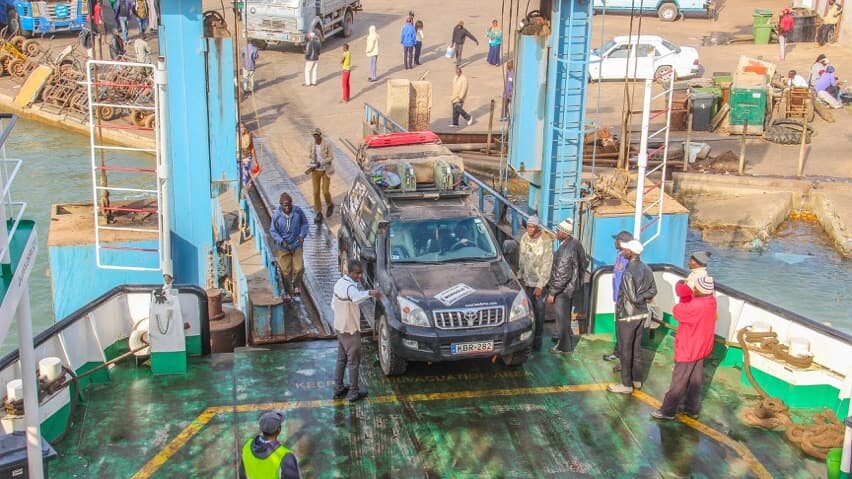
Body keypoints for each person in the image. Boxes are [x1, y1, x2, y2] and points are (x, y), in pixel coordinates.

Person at [651, 277, 718, 420]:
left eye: (696, 288)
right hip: (702, 347)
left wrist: (683, 295)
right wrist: (689, 295)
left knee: (679, 380)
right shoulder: (711, 301)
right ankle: (691, 409)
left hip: (689, 348)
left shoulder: (695, 306)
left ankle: (667, 411)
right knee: (695, 380)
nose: (694, 289)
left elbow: (677, 311)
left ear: (700, 290)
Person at [608, 239, 657, 394]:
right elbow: (653, 290)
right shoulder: (647, 268)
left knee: (625, 350)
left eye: (626, 250)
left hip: (627, 316)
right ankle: (637, 380)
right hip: (641, 314)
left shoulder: (628, 272)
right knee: (636, 350)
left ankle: (626, 384)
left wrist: (639, 297)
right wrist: (645, 296)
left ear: (631, 253)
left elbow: (633, 298)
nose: (623, 252)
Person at [332, 261, 381, 403]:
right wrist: (371, 293)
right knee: (353, 362)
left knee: (341, 359)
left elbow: (333, 305)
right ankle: (353, 393)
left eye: (361, 273)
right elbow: (356, 297)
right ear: (351, 272)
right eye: (357, 273)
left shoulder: (339, 283)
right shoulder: (350, 288)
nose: (360, 276)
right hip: (350, 330)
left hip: (339, 328)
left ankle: (338, 388)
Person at [546, 219, 585, 354]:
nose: (556, 233)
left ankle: (564, 347)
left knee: (562, 319)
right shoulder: (576, 244)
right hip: (572, 288)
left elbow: (562, 274)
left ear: (565, 234)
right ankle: (565, 342)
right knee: (566, 318)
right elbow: (582, 264)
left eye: (558, 231)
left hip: (563, 291)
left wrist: (552, 292)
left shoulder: (566, 249)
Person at [517, 215, 553, 351]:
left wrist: (540, 285)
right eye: (528, 226)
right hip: (526, 282)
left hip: (538, 284)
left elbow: (547, 264)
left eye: (532, 227)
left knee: (539, 313)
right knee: (526, 313)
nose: (530, 229)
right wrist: (519, 276)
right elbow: (521, 258)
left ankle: (537, 344)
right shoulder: (524, 238)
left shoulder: (545, 240)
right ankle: (527, 341)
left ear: (537, 228)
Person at [270, 193, 310, 302]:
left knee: (299, 267)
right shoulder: (276, 216)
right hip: (283, 247)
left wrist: (302, 235)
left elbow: (305, 224)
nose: (287, 208)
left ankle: (296, 285)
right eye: (285, 206)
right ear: (281, 205)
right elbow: (273, 231)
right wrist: (282, 241)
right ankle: (288, 291)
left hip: (296, 244)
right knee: (285, 271)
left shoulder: (298, 212)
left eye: (289, 206)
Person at [239, 411, 300, 479]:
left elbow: (242, 475)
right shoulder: (285, 456)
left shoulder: (247, 446)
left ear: (261, 428)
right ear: (279, 430)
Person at [603, 231, 633, 365]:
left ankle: (624, 358)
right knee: (618, 327)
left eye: (617, 240)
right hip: (618, 298)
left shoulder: (628, 259)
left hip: (625, 300)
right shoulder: (620, 256)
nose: (615, 243)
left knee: (624, 330)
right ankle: (618, 352)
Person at [306, 128, 334, 223]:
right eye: (314, 135)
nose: (316, 137)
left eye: (317, 135)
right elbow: (309, 155)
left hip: (325, 170)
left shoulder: (327, 144)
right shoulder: (311, 144)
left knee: (325, 191)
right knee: (315, 192)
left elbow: (331, 157)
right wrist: (312, 163)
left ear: (320, 135)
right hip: (315, 171)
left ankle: (330, 204)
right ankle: (318, 212)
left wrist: (321, 162)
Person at [239, 123, 258, 190]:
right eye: (240, 127)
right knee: (239, 174)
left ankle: (245, 188)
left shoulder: (249, 135)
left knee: (245, 173)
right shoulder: (235, 136)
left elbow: (252, 147)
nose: (242, 129)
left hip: (247, 157)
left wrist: (255, 161)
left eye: (243, 127)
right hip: (238, 158)